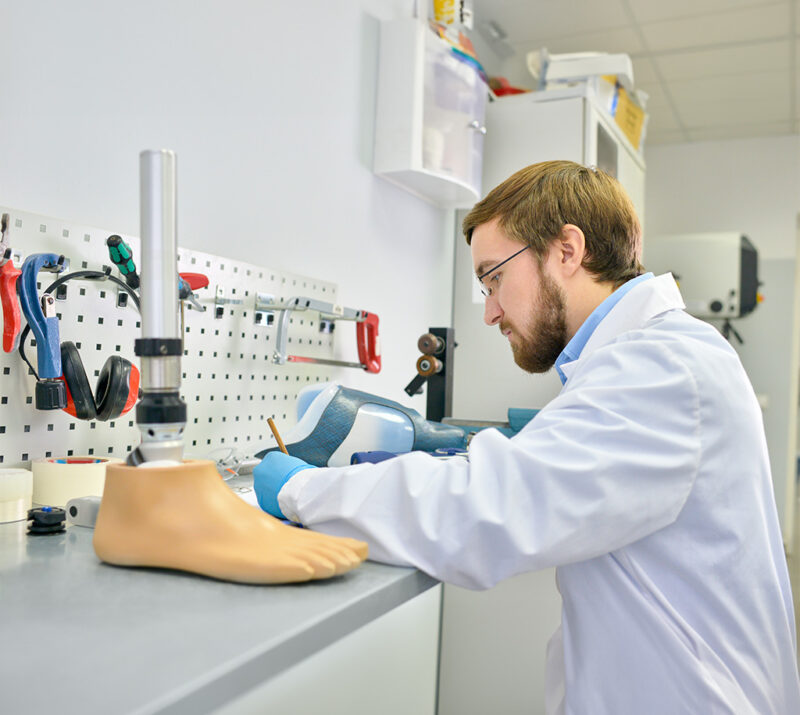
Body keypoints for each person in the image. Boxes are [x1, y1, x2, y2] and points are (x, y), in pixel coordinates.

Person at [253, 160, 800, 714]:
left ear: (567, 250)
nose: (490, 311)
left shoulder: (660, 367)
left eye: (494, 278)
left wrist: (304, 490)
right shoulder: (653, 357)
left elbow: (487, 509)